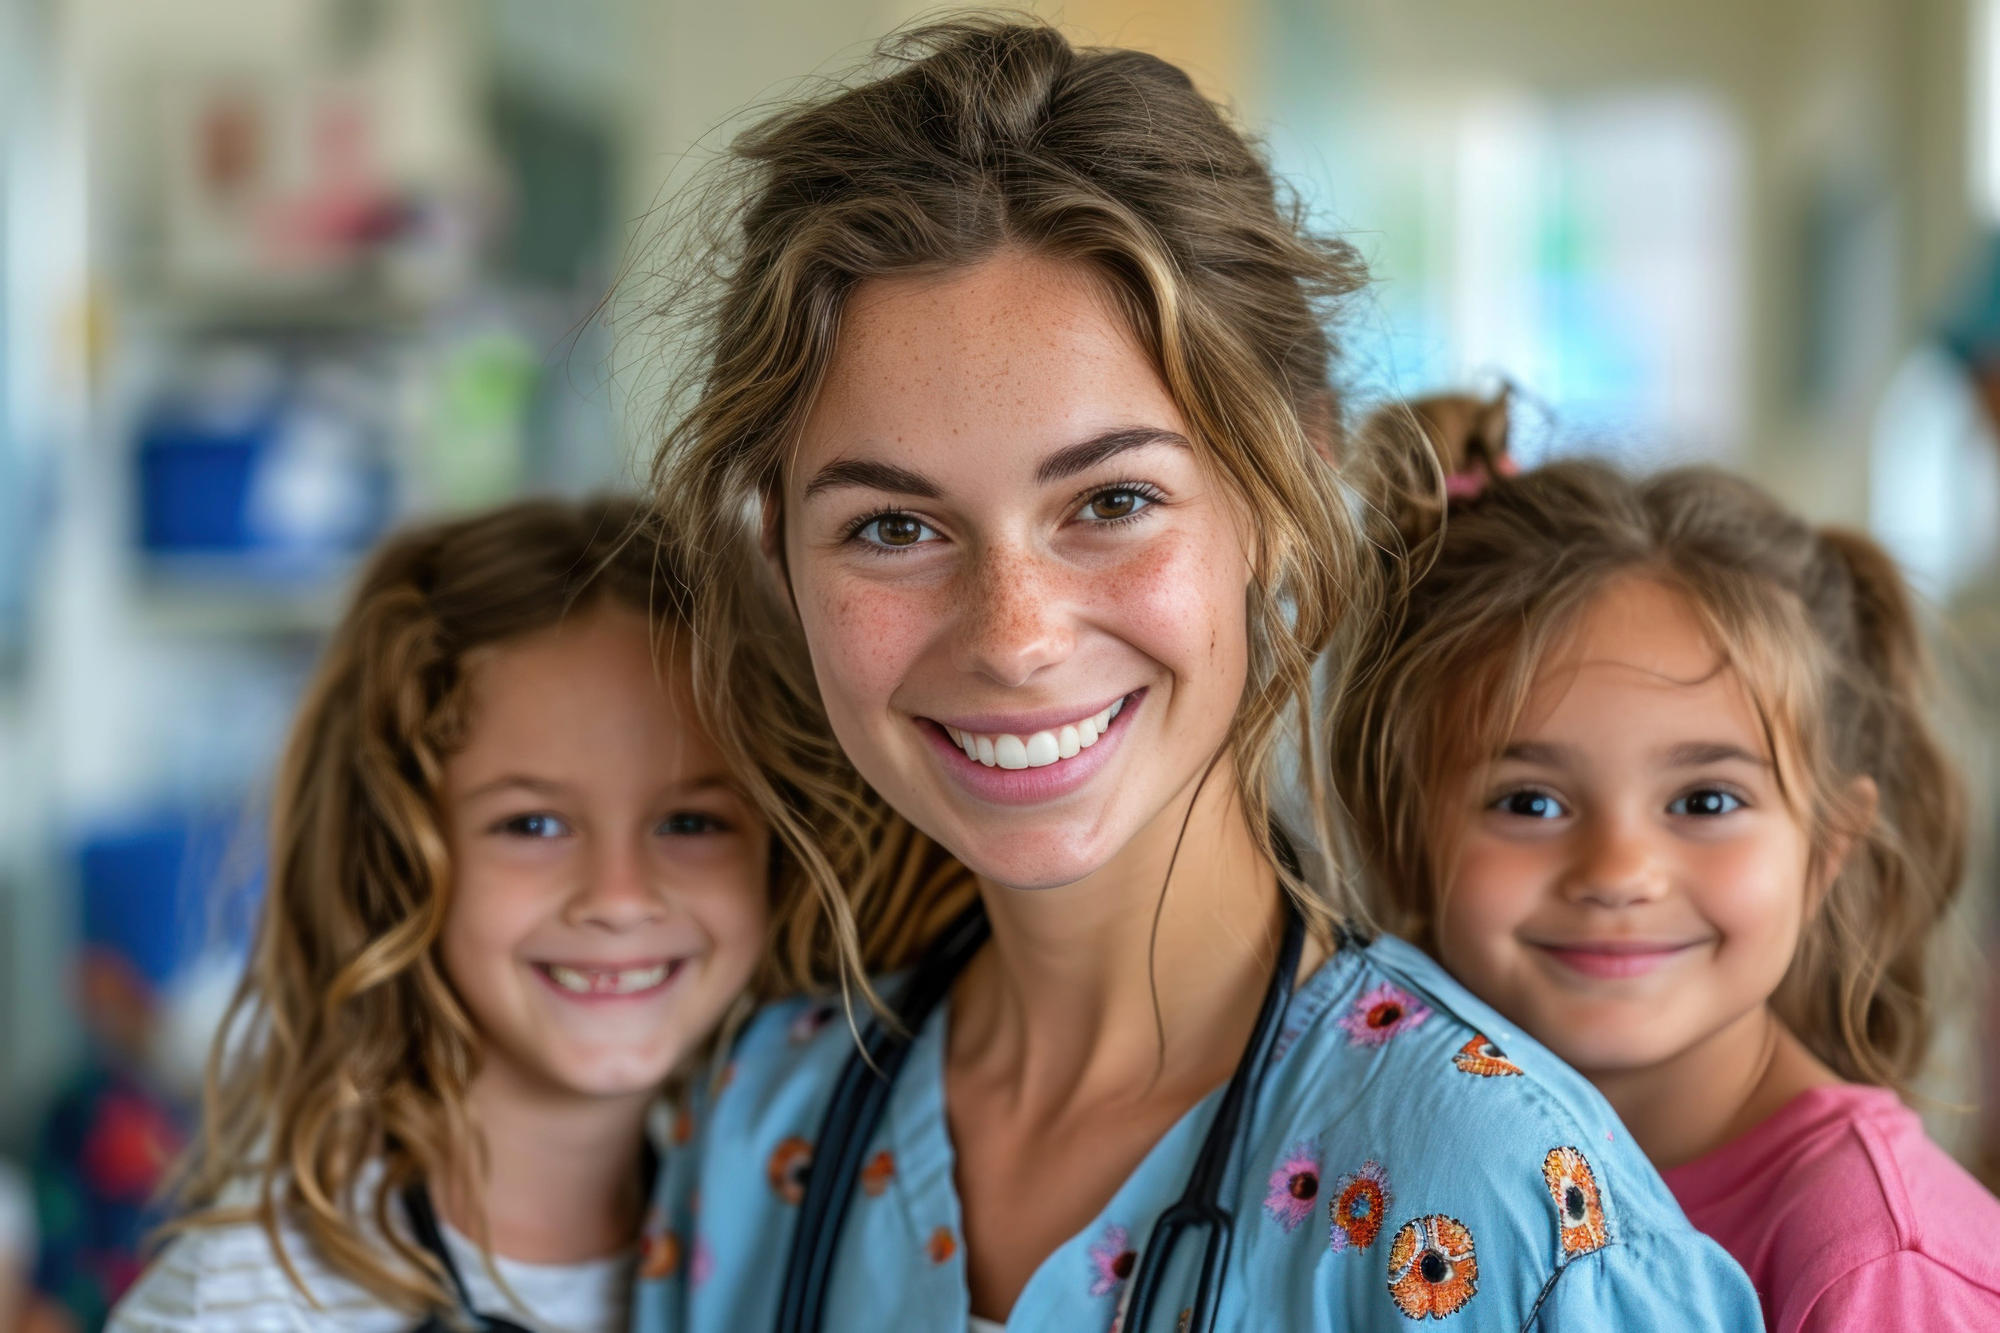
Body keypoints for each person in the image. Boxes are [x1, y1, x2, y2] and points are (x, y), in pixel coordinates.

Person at [634, 17, 1761, 1330]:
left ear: (1283, 490)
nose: (1014, 633)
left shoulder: (1505, 1209)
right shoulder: (761, 1139)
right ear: (778, 551)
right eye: (892, 528)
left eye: (1110, 500)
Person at [1334, 395, 2000, 1330]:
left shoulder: (1880, 1263)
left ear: (1827, 850)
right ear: (1408, 837)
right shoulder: (1410, 1164)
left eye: (1705, 802)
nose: (1618, 869)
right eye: (1530, 801)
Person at [107, 497, 774, 1332]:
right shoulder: (247, 1302)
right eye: (532, 824)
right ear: (396, 853)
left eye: (690, 822)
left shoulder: (814, 1243)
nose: (619, 895)